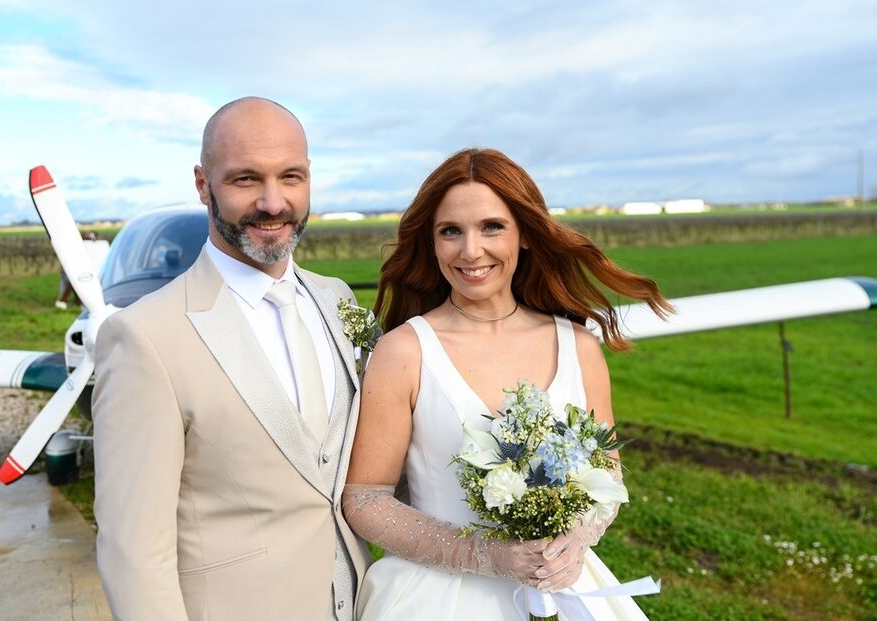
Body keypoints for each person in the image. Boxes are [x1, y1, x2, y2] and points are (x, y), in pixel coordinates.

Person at [343, 148, 671, 620]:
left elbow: (609, 476)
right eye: (450, 231)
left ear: (526, 235)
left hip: (563, 590)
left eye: (491, 227)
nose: (470, 251)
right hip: (435, 599)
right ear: (432, 243)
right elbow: (366, 499)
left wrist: (573, 539)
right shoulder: (404, 351)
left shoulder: (578, 347)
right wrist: (488, 554)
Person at [92, 97, 369, 620]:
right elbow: (133, 552)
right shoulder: (144, 336)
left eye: (291, 177)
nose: (273, 202)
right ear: (203, 184)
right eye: (245, 180)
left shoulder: (338, 300)